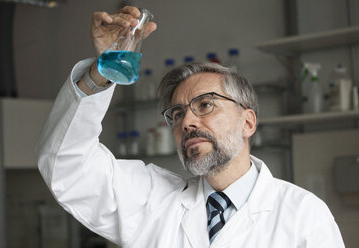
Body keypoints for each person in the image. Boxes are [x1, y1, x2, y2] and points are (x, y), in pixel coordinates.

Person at [35, 6, 345, 248]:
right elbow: (66, 166)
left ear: (247, 122)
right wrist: (100, 72)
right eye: (178, 113)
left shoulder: (304, 215)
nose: (187, 122)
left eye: (206, 105)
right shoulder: (151, 201)